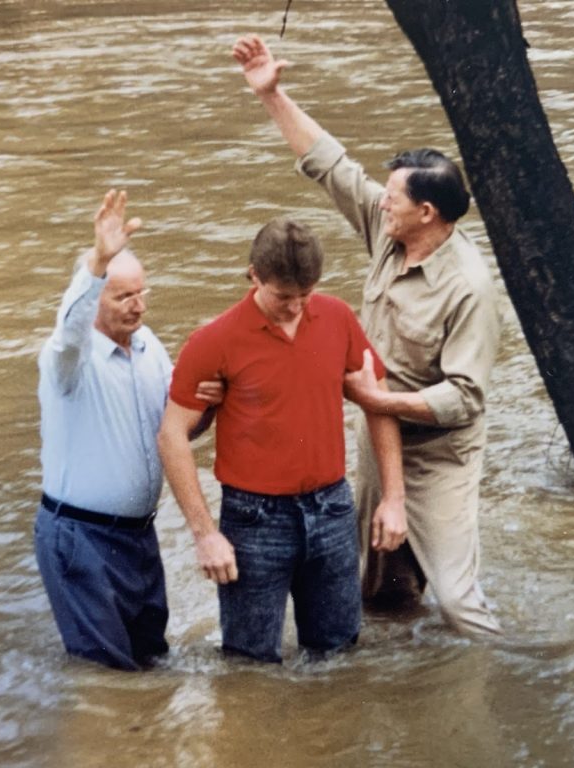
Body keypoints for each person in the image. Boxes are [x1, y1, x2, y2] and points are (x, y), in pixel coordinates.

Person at [232, 34, 502, 637]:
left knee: (458, 602)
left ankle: (506, 673)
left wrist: (378, 399)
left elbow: (465, 397)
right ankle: (399, 681)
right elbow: (330, 165)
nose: (382, 204)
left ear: (427, 213)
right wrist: (271, 95)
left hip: (440, 450)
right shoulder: (390, 228)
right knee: (379, 592)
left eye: (394, 198)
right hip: (378, 434)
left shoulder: (470, 287)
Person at [157, 216, 407, 663]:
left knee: (339, 656)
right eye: (283, 297)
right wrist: (205, 535)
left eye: (305, 295)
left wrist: (394, 498)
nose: (295, 308)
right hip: (254, 519)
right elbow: (171, 436)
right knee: (249, 663)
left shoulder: (337, 317)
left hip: (331, 508)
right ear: (254, 276)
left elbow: (378, 402)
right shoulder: (214, 340)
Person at [35, 189, 219, 670]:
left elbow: (175, 432)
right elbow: (70, 329)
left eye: (142, 294)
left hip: (139, 536)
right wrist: (98, 261)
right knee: (106, 673)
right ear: (96, 297)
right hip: (80, 537)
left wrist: (210, 405)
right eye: (123, 297)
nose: (138, 307)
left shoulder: (148, 346)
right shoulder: (68, 359)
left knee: (152, 663)